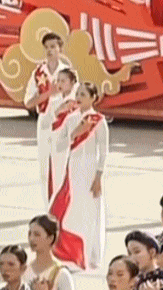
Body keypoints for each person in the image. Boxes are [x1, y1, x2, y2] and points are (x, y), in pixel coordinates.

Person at [49, 81, 108, 271]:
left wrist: (99, 176)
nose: (79, 97)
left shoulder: (99, 120)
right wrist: (75, 133)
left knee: (91, 210)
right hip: (74, 167)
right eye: (78, 94)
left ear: (93, 98)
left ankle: (90, 254)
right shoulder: (71, 119)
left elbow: (104, 150)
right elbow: (58, 146)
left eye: (84, 94)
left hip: (91, 169)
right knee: (73, 210)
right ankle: (73, 254)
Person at [23, 32, 71, 205]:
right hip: (44, 121)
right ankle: (48, 205)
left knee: (61, 164)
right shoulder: (38, 73)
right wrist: (47, 94)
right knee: (44, 167)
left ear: (60, 48)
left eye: (53, 47)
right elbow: (28, 102)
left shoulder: (67, 72)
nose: (50, 51)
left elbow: (75, 99)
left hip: (63, 123)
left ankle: (61, 204)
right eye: (47, 47)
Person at [44, 68, 79, 205]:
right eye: (58, 80)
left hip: (70, 146)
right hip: (55, 145)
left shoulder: (77, 102)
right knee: (56, 178)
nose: (60, 83)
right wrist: (58, 111)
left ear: (72, 83)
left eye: (63, 81)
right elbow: (46, 123)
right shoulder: (54, 101)